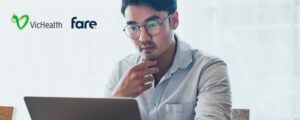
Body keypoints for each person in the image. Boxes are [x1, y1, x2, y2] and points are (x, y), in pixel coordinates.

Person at [104, 0, 232, 119]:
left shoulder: (208, 69)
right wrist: (117, 100)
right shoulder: (121, 70)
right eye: (133, 28)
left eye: (152, 24)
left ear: (174, 20)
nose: (143, 38)